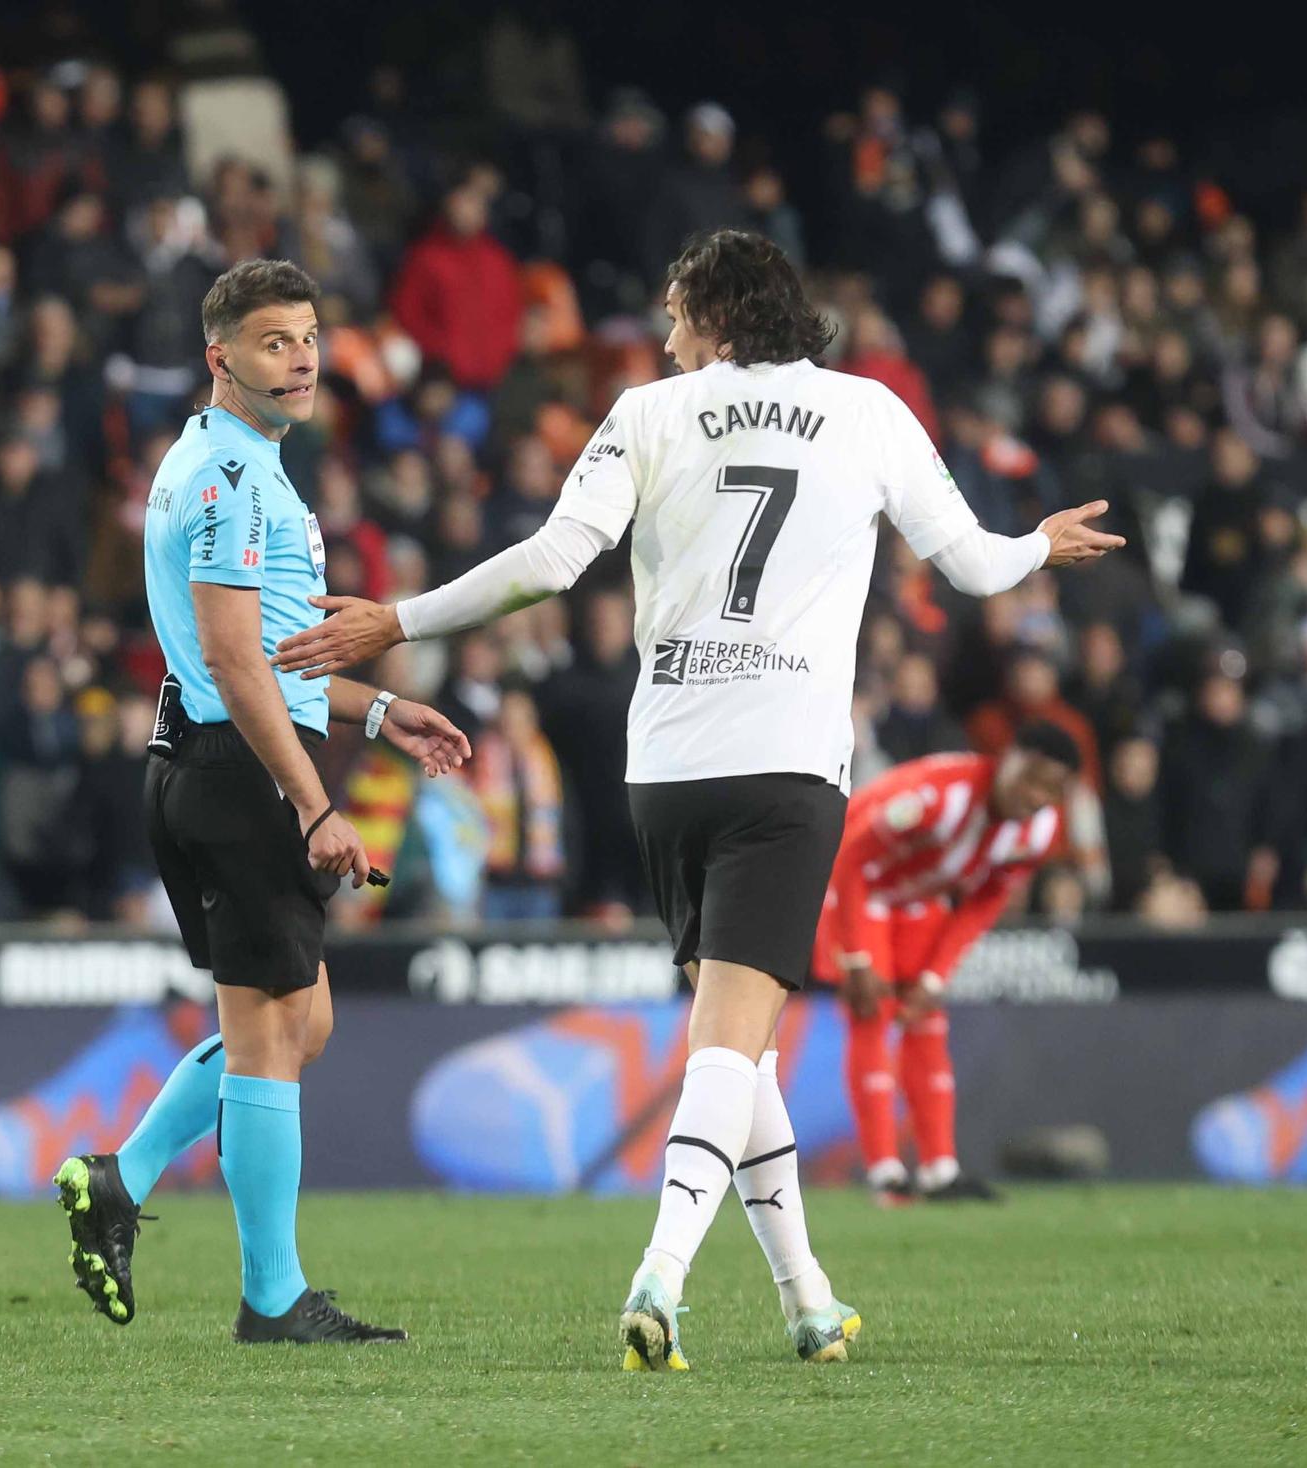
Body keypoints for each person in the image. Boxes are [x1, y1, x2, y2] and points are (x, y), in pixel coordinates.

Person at [272, 228, 1120, 1370]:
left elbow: (551, 560)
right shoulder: (867, 410)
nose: (665, 337)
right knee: (731, 1040)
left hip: (665, 769)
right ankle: (659, 1276)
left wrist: (399, 617)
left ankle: (806, 1294)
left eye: (675, 314)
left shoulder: (647, 412)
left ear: (718, 317)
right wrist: (1037, 545)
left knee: (742, 1047)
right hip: (783, 768)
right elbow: (966, 565)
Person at [51, 260, 469, 1345]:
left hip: (216, 760)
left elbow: (265, 660)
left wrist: (378, 715)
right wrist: (311, 804)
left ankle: (121, 1177)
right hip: (236, 774)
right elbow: (238, 667)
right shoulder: (233, 479)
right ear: (219, 358)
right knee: (270, 1036)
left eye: (309, 337)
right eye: (275, 341)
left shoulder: (223, 464)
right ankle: (271, 1298)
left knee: (296, 1021)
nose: (301, 359)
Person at [810, 724, 1079, 1204]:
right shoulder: (939, 797)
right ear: (1010, 757)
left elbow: (986, 900)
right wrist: (854, 955)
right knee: (871, 1015)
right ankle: (885, 1175)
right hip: (859, 888)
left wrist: (937, 973)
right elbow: (850, 858)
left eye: (1053, 790)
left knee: (926, 1017)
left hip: (919, 897)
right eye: (1033, 779)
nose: (1038, 797)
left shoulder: (1038, 830)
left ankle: (939, 1170)